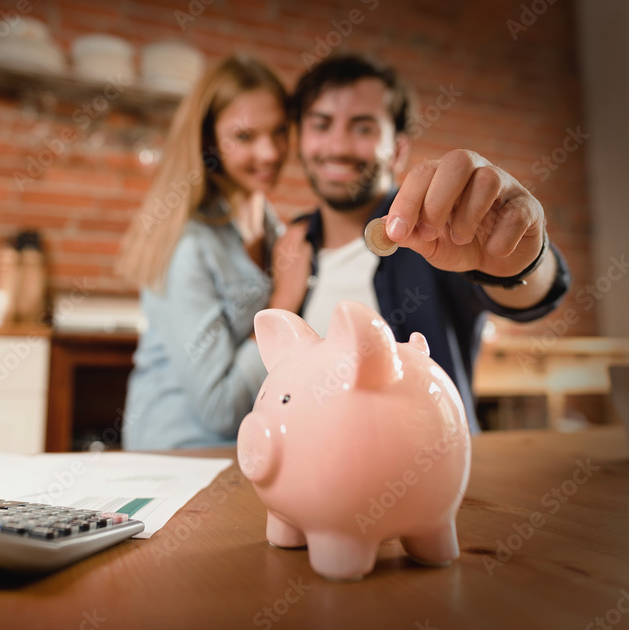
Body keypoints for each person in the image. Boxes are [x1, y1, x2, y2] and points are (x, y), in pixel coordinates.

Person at [284, 52, 571, 433]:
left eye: (363, 128)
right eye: (321, 125)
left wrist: (522, 261)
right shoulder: (288, 244)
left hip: (428, 476)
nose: (338, 145)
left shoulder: (439, 229)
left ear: (398, 150)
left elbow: (533, 294)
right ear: (301, 139)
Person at [116, 54, 307, 450]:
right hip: (178, 460)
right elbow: (220, 409)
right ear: (209, 141)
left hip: (243, 454)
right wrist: (285, 303)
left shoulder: (275, 230)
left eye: (279, 131)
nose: (270, 153)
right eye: (245, 137)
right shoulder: (187, 244)